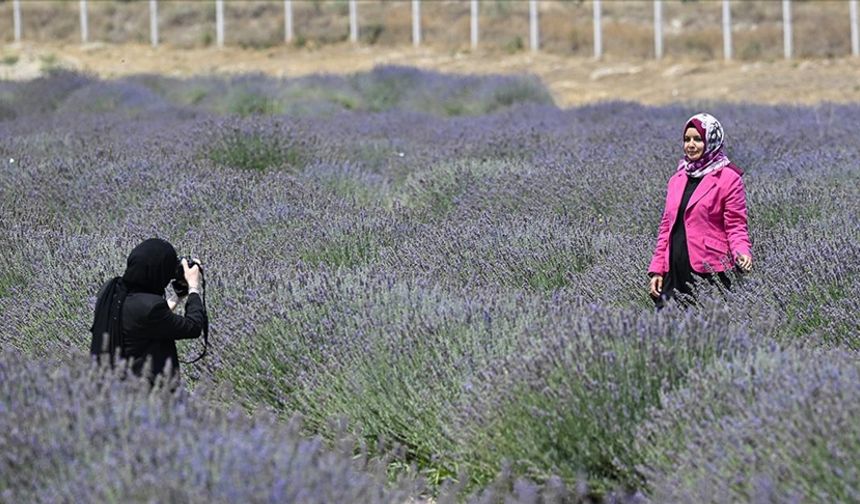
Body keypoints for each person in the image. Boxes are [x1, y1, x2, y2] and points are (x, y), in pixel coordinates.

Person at [648, 113, 752, 307]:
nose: (691, 144)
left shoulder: (729, 179)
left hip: (709, 272)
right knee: (667, 331)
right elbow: (665, 229)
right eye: (687, 139)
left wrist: (742, 252)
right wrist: (657, 270)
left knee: (710, 331)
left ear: (711, 141)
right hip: (674, 271)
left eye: (698, 139)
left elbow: (736, 225)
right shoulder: (677, 179)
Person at [90, 238, 207, 385]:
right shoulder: (149, 308)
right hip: (147, 395)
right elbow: (193, 327)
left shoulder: (110, 290)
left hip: (111, 386)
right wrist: (193, 288)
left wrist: (177, 297)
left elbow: (143, 320)